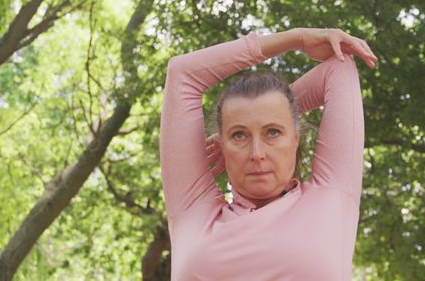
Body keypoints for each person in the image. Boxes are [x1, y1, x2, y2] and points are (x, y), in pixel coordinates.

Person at [160, 28, 377, 280]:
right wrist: (296, 38)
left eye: (273, 133)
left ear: (295, 139)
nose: (257, 153)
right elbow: (181, 73)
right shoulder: (193, 210)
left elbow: (339, 69)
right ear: (221, 145)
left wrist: (276, 108)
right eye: (239, 135)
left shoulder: (332, 194)